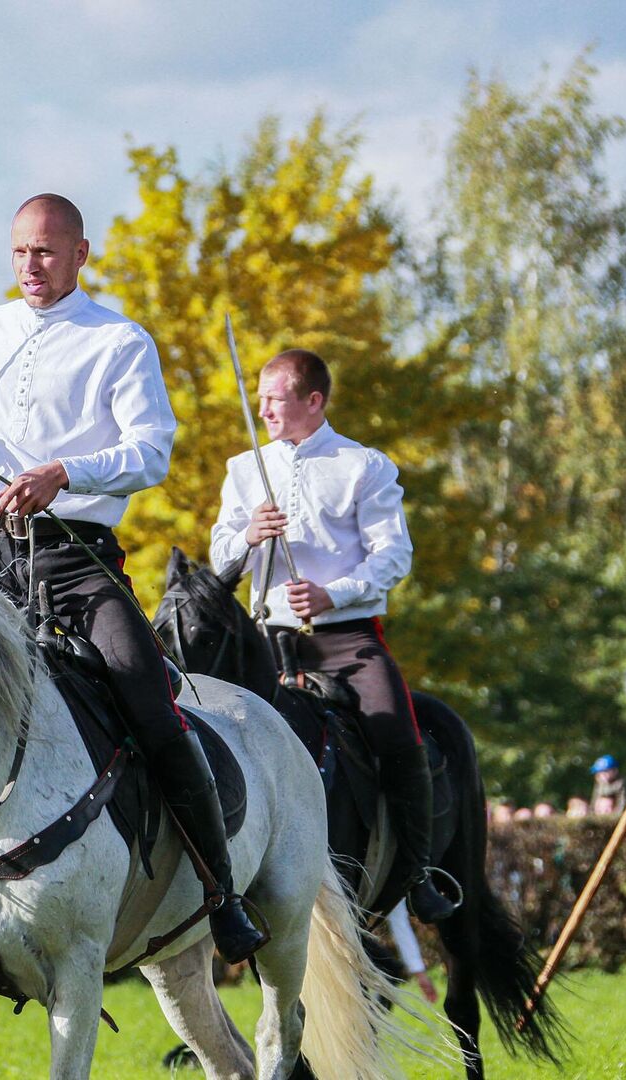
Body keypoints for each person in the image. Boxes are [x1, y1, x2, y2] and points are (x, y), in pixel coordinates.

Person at [0, 192, 266, 975]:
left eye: (46, 252)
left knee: (147, 697)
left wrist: (65, 473)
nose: (30, 265)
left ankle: (222, 893)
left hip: (77, 559)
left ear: (81, 255)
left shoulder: (119, 340)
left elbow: (153, 451)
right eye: (19, 252)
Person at [207, 348, 456, 924]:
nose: (263, 407)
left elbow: (394, 556)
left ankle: (418, 873)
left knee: (398, 734)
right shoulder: (245, 468)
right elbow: (220, 560)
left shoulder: (364, 466)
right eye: (261, 397)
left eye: (277, 397)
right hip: (264, 641)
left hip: (346, 641)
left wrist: (332, 593)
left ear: (313, 401)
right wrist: (248, 536)